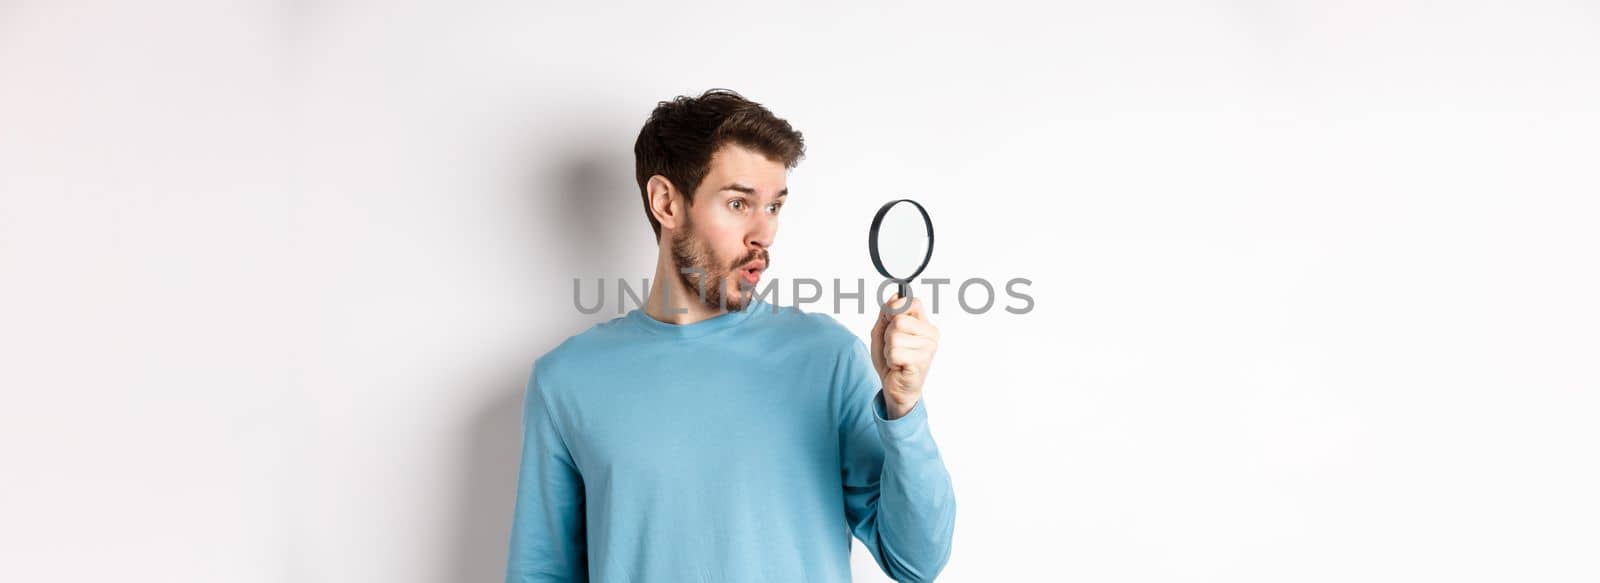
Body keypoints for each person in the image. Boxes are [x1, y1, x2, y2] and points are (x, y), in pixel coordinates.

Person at [505, 89, 956, 582]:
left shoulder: (827, 357)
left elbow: (916, 561)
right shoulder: (566, 380)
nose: (764, 233)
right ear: (666, 202)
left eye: (775, 207)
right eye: (739, 203)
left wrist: (904, 409)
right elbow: (541, 572)